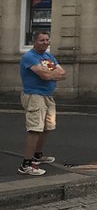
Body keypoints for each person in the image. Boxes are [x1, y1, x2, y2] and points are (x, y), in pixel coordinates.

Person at [19, 31, 67, 176]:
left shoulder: (48, 56)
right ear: (34, 42)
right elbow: (45, 75)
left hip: (48, 95)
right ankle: (26, 165)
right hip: (34, 96)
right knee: (35, 129)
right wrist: (51, 74)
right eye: (42, 40)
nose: (46, 43)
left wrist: (49, 74)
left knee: (47, 127)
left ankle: (37, 156)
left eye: (47, 40)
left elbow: (63, 73)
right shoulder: (29, 57)